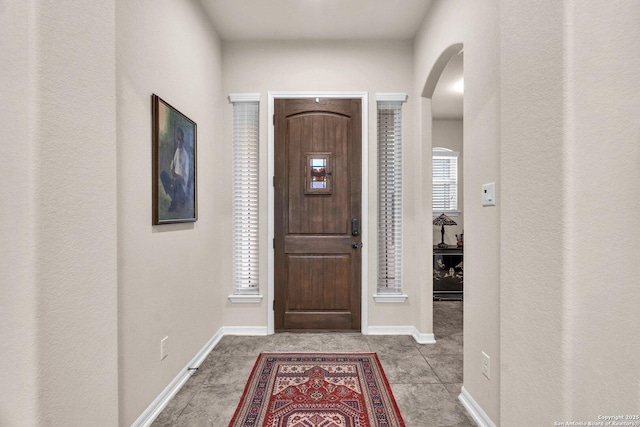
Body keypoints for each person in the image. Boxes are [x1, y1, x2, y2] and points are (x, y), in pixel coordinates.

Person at [160, 127, 190, 212]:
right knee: (162, 174)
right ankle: (174, 196)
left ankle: (176, 202)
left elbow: (185, 179)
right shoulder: (177, 151)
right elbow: (172, 166)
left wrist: (177, 176)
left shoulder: (186, 156)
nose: (178, 142)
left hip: (181, 188)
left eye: (180, 140)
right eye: (178, 140)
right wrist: (172, 171)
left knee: (177, 181)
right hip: (174, 185)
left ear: (183, 141)